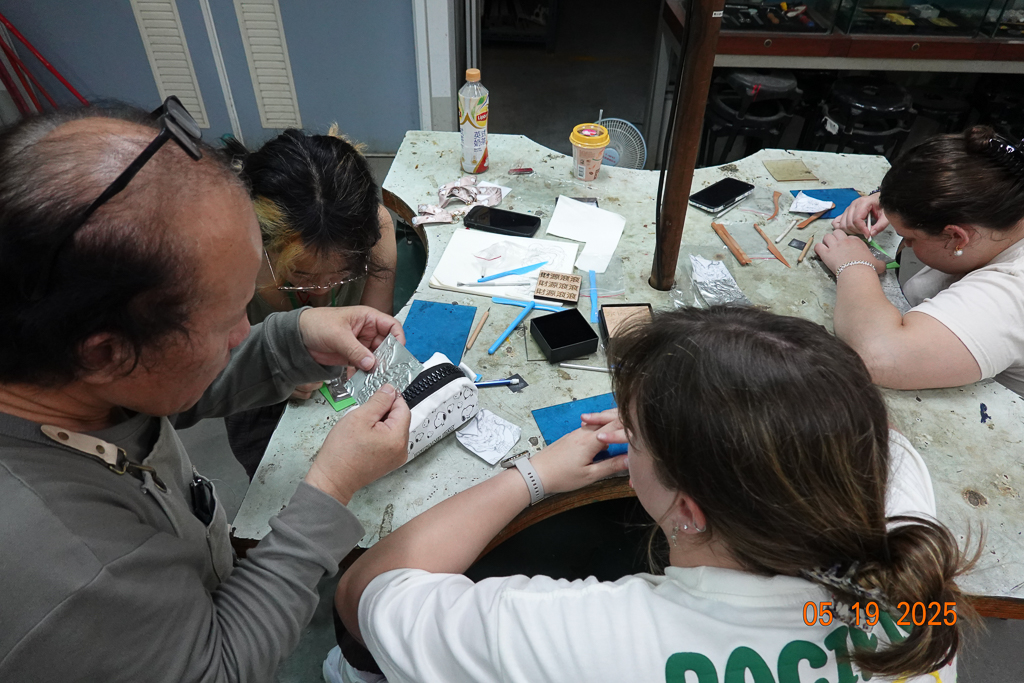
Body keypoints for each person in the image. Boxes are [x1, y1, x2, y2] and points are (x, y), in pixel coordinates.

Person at [332, 306, 974, 683]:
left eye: (633, 437)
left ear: (688, 512)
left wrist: (534, 475)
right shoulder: (910, 558)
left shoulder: (589, 641)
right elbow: (874, 432)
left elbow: (365, 593)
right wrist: (683, 426)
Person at [0, 101, 410, 683]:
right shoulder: (74, 565)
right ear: (105, 353)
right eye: (227, 321)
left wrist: (290, 337)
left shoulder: (60, 365)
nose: (246, 329)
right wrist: (329, 487)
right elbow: (219, 669)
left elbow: (165, 384)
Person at [222, 128, 398, 477]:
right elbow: (212, 370)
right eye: (301, 275)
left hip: (343, 390)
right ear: (262, 241)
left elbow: (371, 332)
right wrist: (273, 371)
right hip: (253, 392)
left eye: (342, 275)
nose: (321, 293)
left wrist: (362, 352)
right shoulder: (233, 254)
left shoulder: (375, 230)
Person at [818, 125, 1024, 394]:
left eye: (910, 238)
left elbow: (881, 357)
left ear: (957, 237)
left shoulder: (1011, 292)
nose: (906, 244)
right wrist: (897, 200)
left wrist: (854, 265)